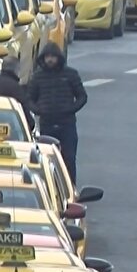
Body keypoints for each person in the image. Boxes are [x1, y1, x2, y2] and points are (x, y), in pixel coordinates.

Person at [27, 42, 87, 183]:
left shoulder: (70, 74)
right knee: (47, 159)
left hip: (67, 124)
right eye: (47, 57)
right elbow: (29, 98)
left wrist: (70, 109)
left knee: (69, 159)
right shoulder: (37, 77)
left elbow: (82, 96)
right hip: (47, 124)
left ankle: (70, 187)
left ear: (58, 57)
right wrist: (39, 111)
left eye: (53, 56)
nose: (50, 60)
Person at [0, 56, 35, 131]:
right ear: (16, 70)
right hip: (10, 130)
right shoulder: (15, 88)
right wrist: (31, 124)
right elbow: (24, 110)